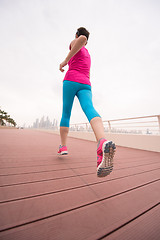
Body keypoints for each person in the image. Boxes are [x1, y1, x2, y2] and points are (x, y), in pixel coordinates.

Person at [58, 27, 116, 177]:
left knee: (66, 112)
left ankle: (63, 146)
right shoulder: (88, 54)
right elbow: (88, 72)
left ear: (77, 35)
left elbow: (82, 39)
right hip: (86, 83)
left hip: (71, 80)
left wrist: (65, 61)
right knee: (89, 108)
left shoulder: (78, 40)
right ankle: (101, 141)